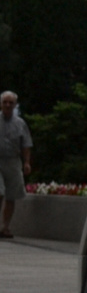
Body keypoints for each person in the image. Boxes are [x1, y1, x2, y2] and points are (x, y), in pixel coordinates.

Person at [0, 91, 33, 239]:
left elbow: (26, 144)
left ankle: (5, 227)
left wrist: (26, 162)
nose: (7, 105)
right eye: (5, 102)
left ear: (14, 105)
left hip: (13, 161)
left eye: (10, 103)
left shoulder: (20, 123)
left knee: (11, 195)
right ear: (1, 104)